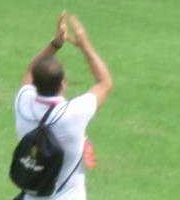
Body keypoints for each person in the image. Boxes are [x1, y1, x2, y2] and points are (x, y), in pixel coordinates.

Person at [14, 13, 112, 199]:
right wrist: (84, 44)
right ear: (63, 84)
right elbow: (104, 82)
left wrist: (56, 43)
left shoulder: (23, 104)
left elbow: (30, 70)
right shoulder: (73, 114)